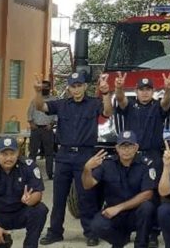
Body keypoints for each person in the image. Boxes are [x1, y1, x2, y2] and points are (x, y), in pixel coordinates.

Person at [37, 72, 113, 246]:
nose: (76, 89)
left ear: (85, 86)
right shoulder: (62, 104)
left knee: (87, 197)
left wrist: (106, 93)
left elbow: (108, 111)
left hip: (85, 156)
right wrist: (37, 92)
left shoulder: (94, 103)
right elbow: (41, 107)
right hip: (63, 156)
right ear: (69, 88)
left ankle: (91, 232)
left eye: (79, 85)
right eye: (73, 86)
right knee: (59, 198)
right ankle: (55, 232)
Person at [82, 131, 156, 248]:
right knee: (97, 225)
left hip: (135, 213)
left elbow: (147, 194)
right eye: (123, 146)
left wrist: (119, 208)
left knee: (147, 207)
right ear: (117, 148)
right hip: (114, 213)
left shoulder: (146, 164)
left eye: (130, 146)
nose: (126, 150)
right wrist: (87, 169)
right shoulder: (107, 163)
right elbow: (87, 185)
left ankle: (141, 244)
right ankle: (119, 242)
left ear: (136, 147)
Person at [114, 72, 170, 163]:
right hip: (131, 154)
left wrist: (168, 90)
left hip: (154, 154)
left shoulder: (158, 106)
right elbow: (120, 98)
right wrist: (119, 88)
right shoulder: (130, 104)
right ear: (136, 91)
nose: (145, 92)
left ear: (153, 91)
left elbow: (167, 101)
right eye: (141, 89)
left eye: (148, 89)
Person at [27, 79, 57, 180]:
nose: (44, 89)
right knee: (33, 152)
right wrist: (31, 123)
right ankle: (30, 173)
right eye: (42, 87)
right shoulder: (35, 100)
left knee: (49, 153)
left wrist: (51, 124)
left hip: (47, 129)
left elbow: (57, 115)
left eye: (46, 87)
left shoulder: (54, 100)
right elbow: (29, 112)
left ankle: (50, 174)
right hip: (36, 129)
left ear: (49, 88)